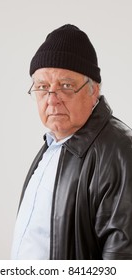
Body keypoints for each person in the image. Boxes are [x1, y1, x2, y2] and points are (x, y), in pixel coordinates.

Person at [11, 24, 132, 260]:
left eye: (66, 86)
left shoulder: (119, 151)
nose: (52, 99)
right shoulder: (53, 146)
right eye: (43, 87)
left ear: (94, 90)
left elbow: (123, 258)